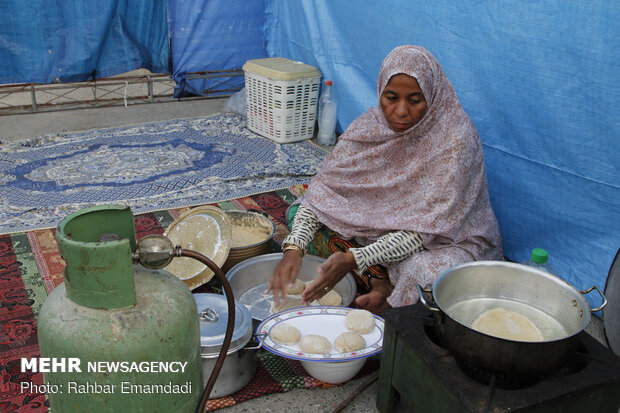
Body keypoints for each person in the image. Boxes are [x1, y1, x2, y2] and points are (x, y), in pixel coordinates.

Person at [267, 45, 503, 315]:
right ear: (380, 91)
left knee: (425, 274)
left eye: (415, 100)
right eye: (391, 97)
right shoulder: (370, 128)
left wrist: (359, 257)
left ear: (433, 96)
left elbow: (426, 230)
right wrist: (293, 248)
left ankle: (385, 292)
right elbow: (323, 196)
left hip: (443, 240)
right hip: (380, 233)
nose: (400, 111)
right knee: (301, 212)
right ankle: (378, 282)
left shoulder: (454, 140)